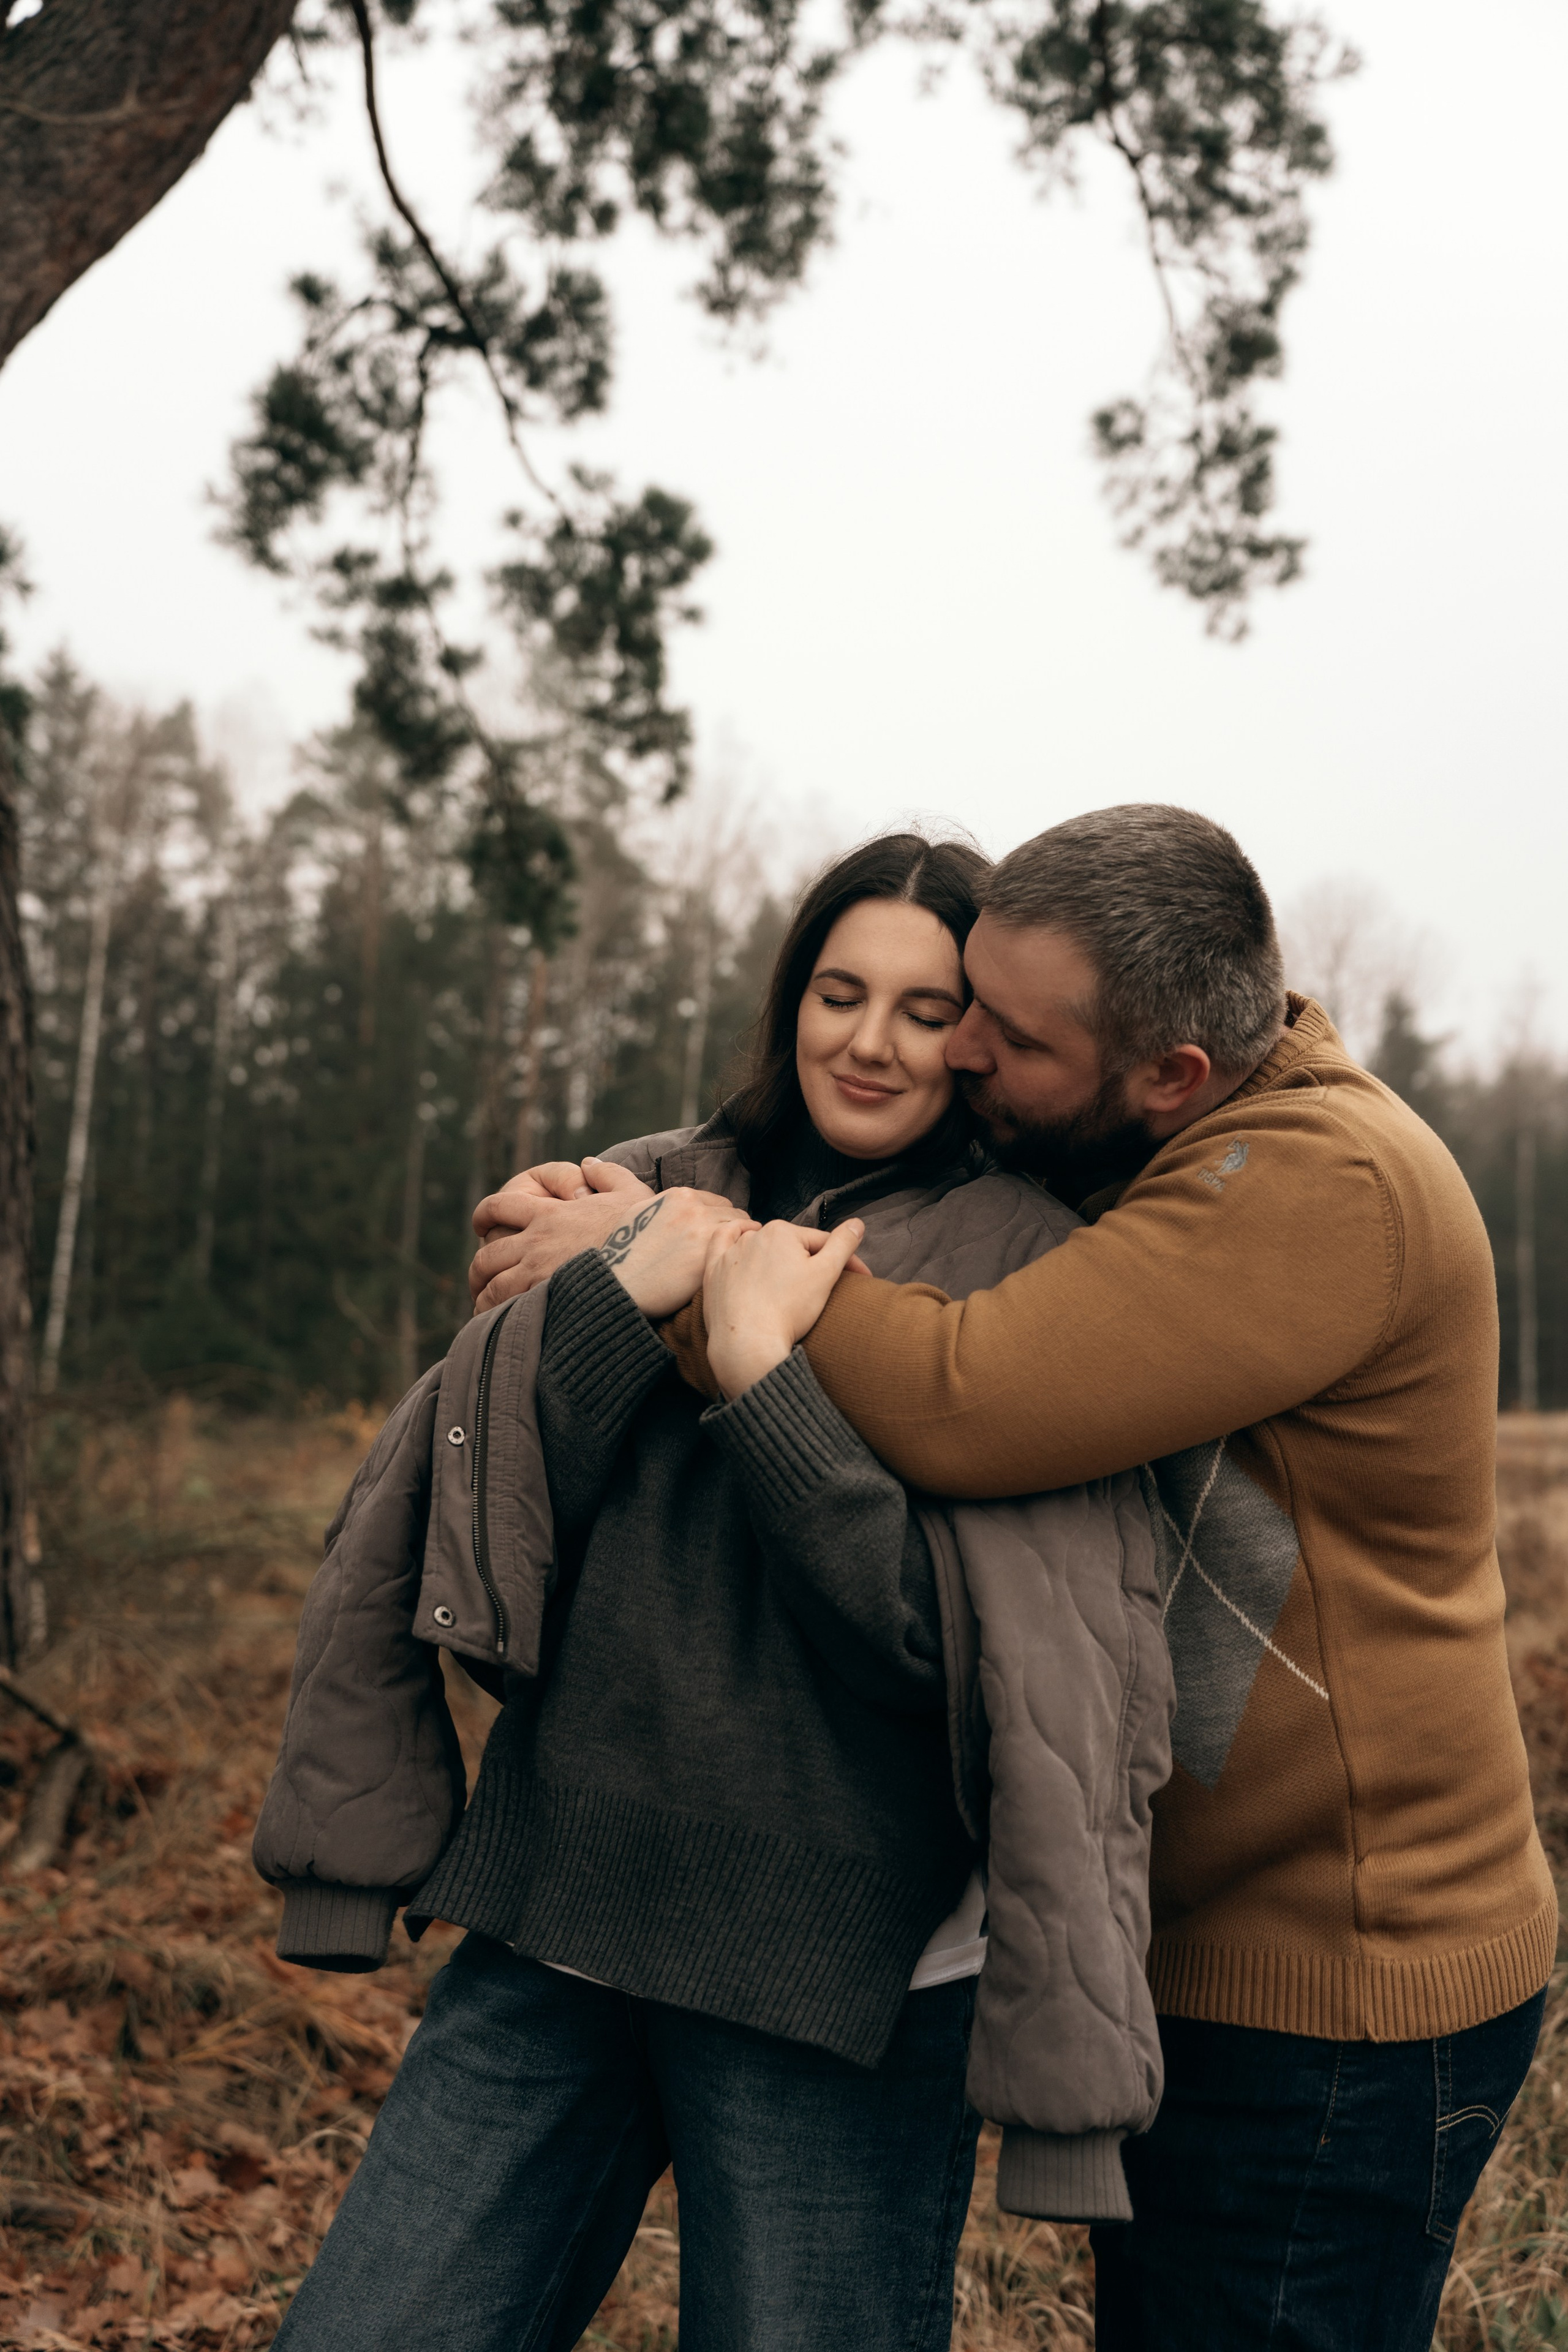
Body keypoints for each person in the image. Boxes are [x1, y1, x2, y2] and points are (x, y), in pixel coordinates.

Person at [470, 803, 1555, 2352]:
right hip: (1199, 1943)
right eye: (960, 999)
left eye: (1004, 1034)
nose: (958, 1052)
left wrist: (687, 1247)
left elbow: (964, 1393)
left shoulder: (1313, 1183)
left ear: (1167, 1070)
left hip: (1338, 1978)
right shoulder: (1166, 1136)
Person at [257, 832, 1172, 2352]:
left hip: (836, 1978)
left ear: (983, 1040)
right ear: (786, 998)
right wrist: (629, 1282)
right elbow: (485, 1507)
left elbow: (923, 1649)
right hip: (557, 1911)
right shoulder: (653, 1183)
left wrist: (760, 1376)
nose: (869, 1040)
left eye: (926, 1009)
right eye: (837, 989)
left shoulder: (1027, 1265)